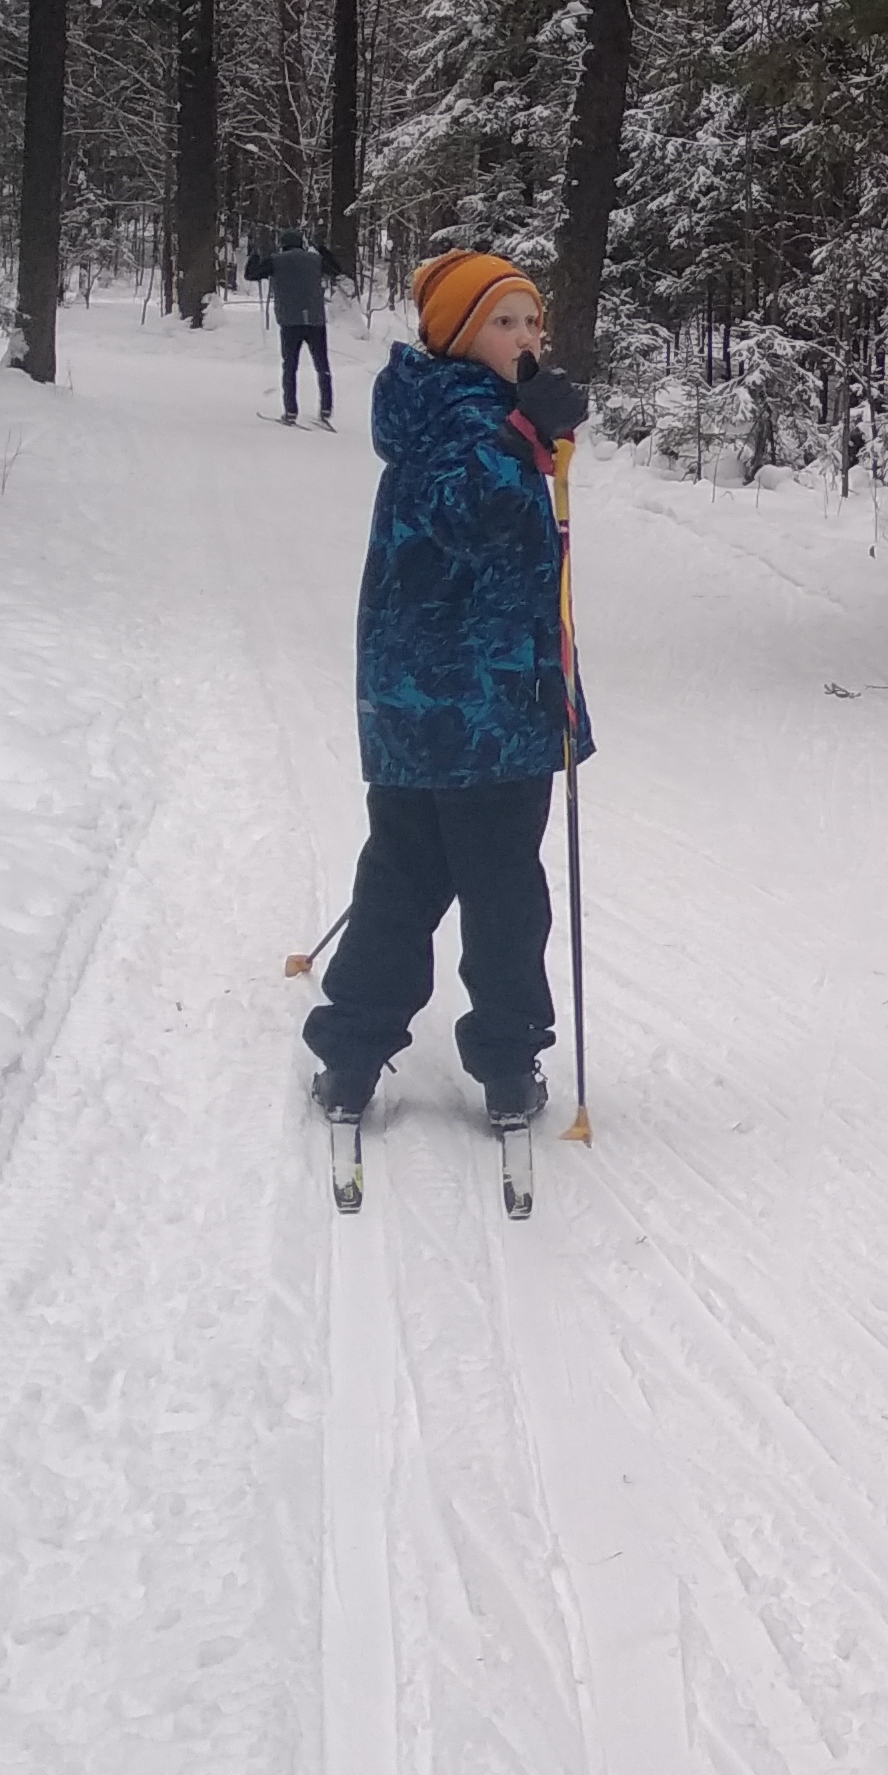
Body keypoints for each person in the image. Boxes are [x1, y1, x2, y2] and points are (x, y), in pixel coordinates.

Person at [304, 251, 593, 1131]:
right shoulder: (463, 422)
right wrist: (522, 440)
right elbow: (475, 516)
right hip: (482, 712)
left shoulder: (446, 412)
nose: (525, 338)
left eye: (531, 321)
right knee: (499, 890)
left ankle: (355, 1053)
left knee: (405, 878)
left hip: (427, 708)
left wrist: (527, 434)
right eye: (503, 322)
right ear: (460, 335)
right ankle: (502, 1064)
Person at [246, 227, 338, 426]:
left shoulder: (276, 260)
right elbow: (336, 270)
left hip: (290, 321)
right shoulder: (315, 260)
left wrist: (254, 254)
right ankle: (325, 409)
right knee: (322, 365)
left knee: (290, 367)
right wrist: (322, 249)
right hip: (315, 319)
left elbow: (251, 275)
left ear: (283, 243)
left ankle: (290, 411)